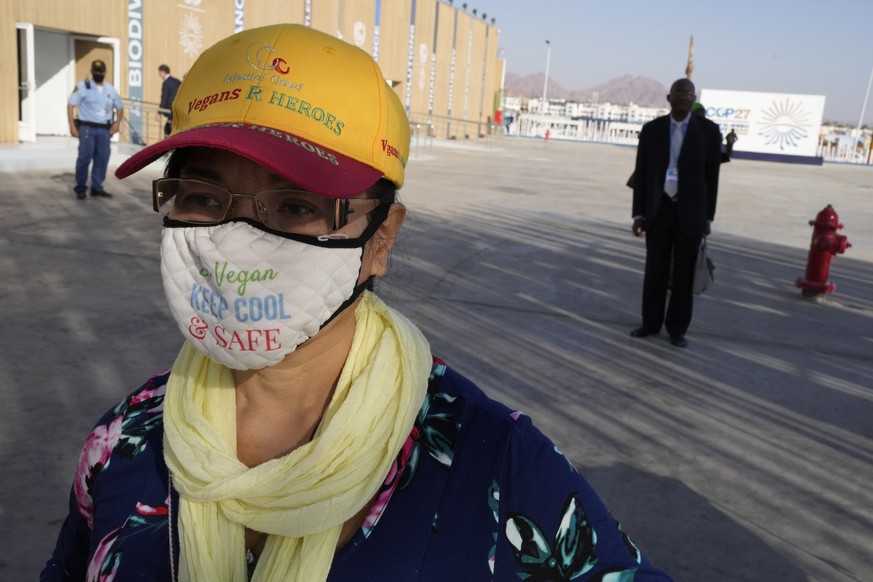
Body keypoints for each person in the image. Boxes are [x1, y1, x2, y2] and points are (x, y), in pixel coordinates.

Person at [42, 24, 672, 581]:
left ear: (382, 239)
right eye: (202, 198)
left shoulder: (490, 466)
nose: (233, 244)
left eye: (296, 207)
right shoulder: (126, 440)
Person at [630, 78, 721, 348]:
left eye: (688, 94)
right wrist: (638, 214)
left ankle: (677, 329)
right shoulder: (652, 130)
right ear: (668, 98)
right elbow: (642, 174)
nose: (682, 98)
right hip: (659, 211)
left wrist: (708, 218)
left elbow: (712, 179)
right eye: (678, 94)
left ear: (693, 99)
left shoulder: (709, 132)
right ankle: (650, 323)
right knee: (654, 271)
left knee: (684, 274)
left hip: (690, 213)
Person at [67, 59, 125, 199]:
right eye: (96, 71)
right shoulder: (83, 86)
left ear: (105, 72)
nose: (98, 73)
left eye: (101, 71)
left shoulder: (110, 89)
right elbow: (70, 105)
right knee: (84, 159)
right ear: (92, 72)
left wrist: (117, 122)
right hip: (87, 128)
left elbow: (120, 106)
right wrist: (72, 127)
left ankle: (97, 187)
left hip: (104, 131)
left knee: (102, 159)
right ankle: (80, 188)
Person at [157, 64, 182, 138]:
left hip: (171, 111)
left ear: (162, 72)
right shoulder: (177, 81)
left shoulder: (166, 83)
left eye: (159, 73)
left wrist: (159, 111)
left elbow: (164, 98)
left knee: (167, 129)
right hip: (179, 109)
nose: (159, 75)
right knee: (172, 128)